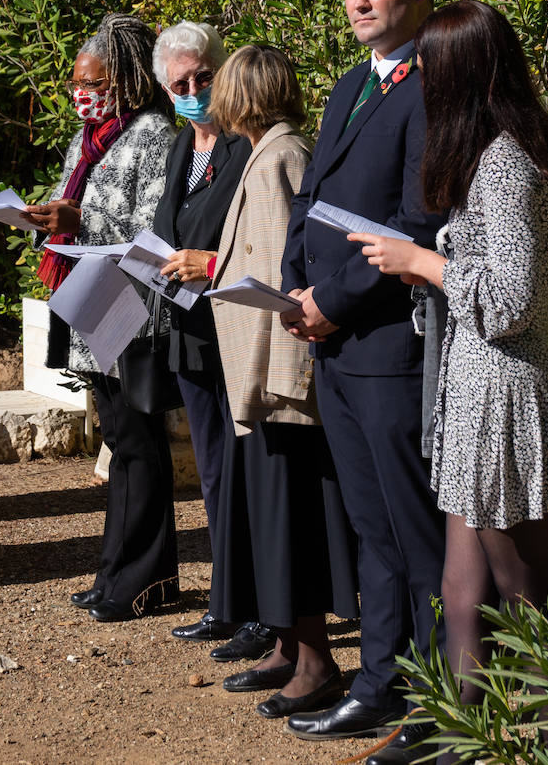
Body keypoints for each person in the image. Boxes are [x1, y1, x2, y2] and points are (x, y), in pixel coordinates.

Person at [351, 0, 548, 765]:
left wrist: (421, 262)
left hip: (507, 393)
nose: (419, 79)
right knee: (463, 590)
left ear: (461, 71)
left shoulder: (507, 162)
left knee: (524, 594)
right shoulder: (505, 149)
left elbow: (515, 303)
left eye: (429, 65)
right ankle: (462, 740)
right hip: (480, 391)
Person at [278, 0, 448, 746]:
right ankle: (380, 681)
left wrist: (334, 303)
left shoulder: (435, 86)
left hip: (387, 344)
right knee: (370, 527)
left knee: (413, 531)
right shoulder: (350, 84)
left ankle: (435, 699)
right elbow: (311, 201)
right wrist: (291, 290)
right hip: (332, 338)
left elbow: (418, 223)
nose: (359, 2)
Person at [204, 44, 360, 719]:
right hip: (255, 376)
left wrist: (287, 379)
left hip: (276, 381)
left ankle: (317, 658)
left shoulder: (282, 156)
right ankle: (291, 646)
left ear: (243, 95)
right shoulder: (265, 152)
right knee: (269, 522)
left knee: (292, 521)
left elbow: (291, 271)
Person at [25, 13, 178, 623]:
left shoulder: (153, 136)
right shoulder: (91, 140)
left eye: (93, 83)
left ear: (126, 79)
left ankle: (147, 579)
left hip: (133, 310)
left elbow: (152, 230)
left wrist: (78, 223)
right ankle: (115, 569)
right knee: (118, 440)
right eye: (73, 85)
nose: (80, 95)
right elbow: (76, 200)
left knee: (140, 445)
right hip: (89, 301)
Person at [150, 21, 272, 662]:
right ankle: (226, 602)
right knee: (215, 473)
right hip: (189, 329)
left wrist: (209, 258)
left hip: (235, 327)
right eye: (181, 83)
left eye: (204, 76)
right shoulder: (180, 146)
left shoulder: (243, 146)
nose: (195, 90)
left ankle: (258, 609)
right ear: (165, 90)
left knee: (248, 472)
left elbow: (254, 237)